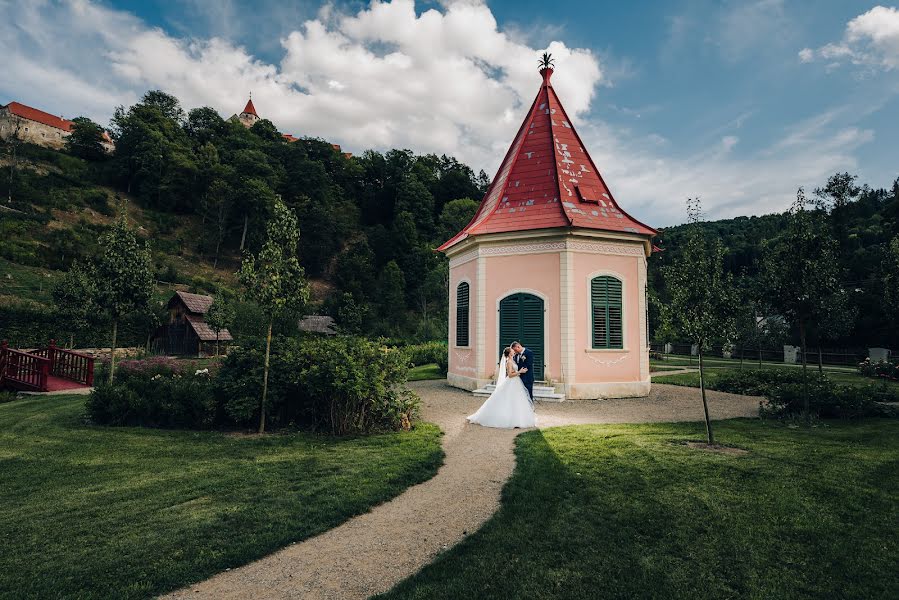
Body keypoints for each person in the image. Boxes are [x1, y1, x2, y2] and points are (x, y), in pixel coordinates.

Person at [467, 346, 536, 429]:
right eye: (512, 350)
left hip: (516, 382)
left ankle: (517, 419)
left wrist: (519, 371)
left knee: (516, 400)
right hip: (512, 382)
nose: (514, 351)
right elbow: (510, 375)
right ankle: (510, 419)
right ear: (510, 353)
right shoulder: (509, 362)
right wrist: (520, 371)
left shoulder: (513, 360)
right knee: (510, 400)